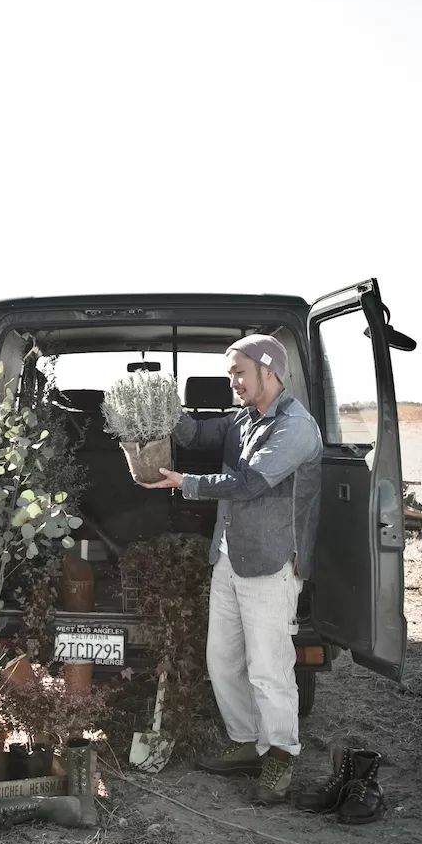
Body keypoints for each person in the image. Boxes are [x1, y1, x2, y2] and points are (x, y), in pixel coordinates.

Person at [140, 334, 323, 805]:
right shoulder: (243, 419)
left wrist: (186, 483)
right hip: (228, 557)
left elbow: (250, 483)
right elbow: (196, 434)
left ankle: (280, 754)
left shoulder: (295, 428)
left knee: (269, 667)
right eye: (230, 375)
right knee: (221, 661)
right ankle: (247, 742)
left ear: (270, 371)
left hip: (268, 561)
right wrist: (161, 407)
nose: (233, 383)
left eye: (239, 373)